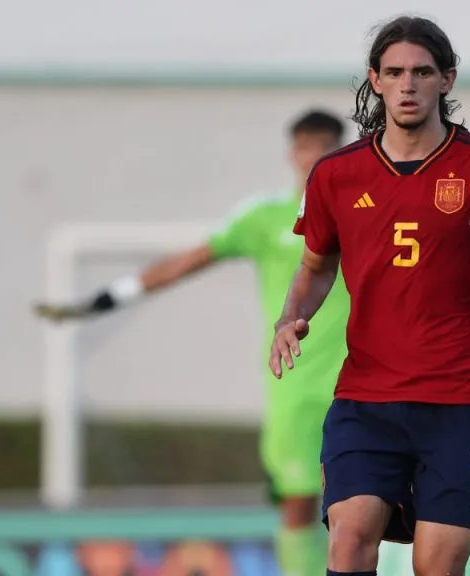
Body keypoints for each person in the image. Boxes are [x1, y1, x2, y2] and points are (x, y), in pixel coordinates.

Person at [267, 15, 470, 576]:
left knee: (436, 564)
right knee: (351, 536)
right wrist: (291, 317)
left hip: (459, 395)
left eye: (423, 72)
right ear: (374, 80)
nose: (408, 84)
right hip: (366, 395)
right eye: (395, 72)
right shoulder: (337, 174)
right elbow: (315, 265)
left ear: (447, 80)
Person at [33, 109, 349, 576]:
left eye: (324, 145)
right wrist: (106, 299)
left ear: (341, 149)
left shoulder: (367, 209)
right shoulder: (265, 218)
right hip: (295, 385)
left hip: (361, 378)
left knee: (365, 504)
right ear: (292, 154)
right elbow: (187, 261)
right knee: (300, 503)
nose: (314, 156)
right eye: (306, 146)